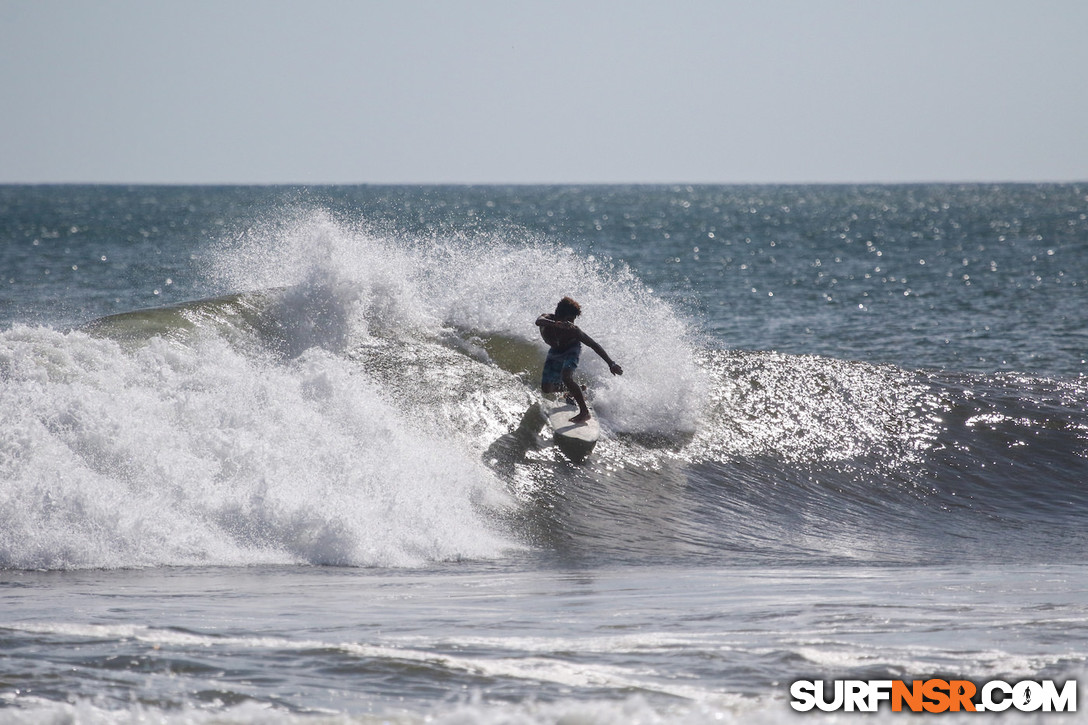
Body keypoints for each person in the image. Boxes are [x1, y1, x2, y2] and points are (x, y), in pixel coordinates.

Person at [536, 296, 623, 423]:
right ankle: (575, 390)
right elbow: (538, 321)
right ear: (560, 315)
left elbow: (594, 345)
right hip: (556, 351)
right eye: (570, 319)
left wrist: (611, 363)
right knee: (546, 388)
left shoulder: (573, 331)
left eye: (573, 320)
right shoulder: (547, 319)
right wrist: (556, 324)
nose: (572, 323)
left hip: (572, 350)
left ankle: (584, 413)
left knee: (566, 377)